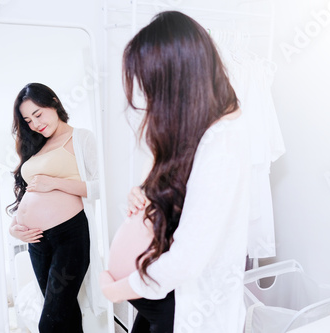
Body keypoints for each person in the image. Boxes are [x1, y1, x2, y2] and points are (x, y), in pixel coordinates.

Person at [100, 11, 252, 333]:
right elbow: (180, 205)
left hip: (184, 307)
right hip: (160, 296)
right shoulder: (198, 129)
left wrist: (119, 289)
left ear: (177, 84)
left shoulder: (221, 144)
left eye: (152, 87)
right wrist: (142, 194)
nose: (149, 99)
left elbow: (188, 258)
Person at [7, 83, 107, 332]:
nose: (35, 124)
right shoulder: (37, 146)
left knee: (50, 321)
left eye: (38, 114)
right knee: (65, 313)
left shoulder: (81, 137)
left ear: (54, 102)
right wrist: (14, 227)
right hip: (37, 242)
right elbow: (29, 193)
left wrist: (55, 183)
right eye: (28, 120)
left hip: (69, 235)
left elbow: (99, 187)